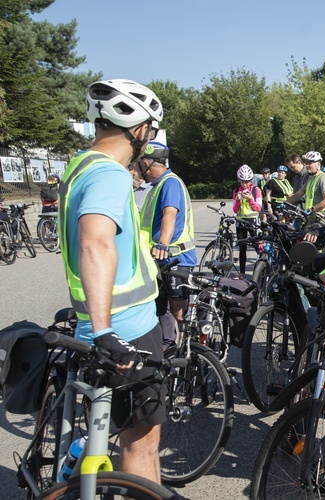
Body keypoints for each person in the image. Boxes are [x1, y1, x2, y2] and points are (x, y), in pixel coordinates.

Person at [59, 78, 164, 483]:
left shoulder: (80, 163)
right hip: (126, 330)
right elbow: (95, 243)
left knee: (120, 433)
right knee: (140, 443)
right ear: (139, 130)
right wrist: (105, 330)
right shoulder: (111, 173)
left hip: (99, 323)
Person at [138, 141, 197, 348]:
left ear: (147, 163)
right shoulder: (158, 185)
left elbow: (169, 215)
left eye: (140, 164)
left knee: (178, 309)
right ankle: (168, 344)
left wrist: (162, 244)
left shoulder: (170, 183)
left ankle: (191, 348)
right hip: (162, 257)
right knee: (162, 305)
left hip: (175, 257)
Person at [232, 164, 262, 274]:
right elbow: (235, 210)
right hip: (240, 220)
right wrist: (239, 200)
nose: (245, 184)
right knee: (242, 248)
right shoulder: (236, 191)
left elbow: (258, 208)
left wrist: (250, 199)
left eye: (247, 181)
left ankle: (262, 269)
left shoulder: (256, 190)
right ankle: (242, 273)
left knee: (257, 246)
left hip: (252, 220)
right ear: (239, 180)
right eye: (242, 181)